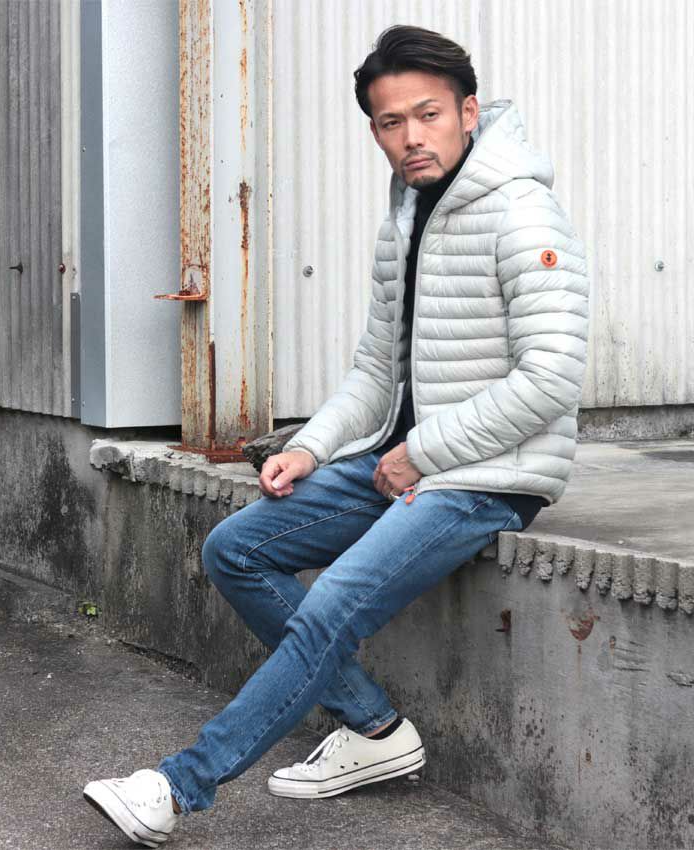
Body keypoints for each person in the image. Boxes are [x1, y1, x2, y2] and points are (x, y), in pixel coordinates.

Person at [83, 24, 589, 846]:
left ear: (468, 112)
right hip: (405, 461)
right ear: (375, 130)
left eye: (428, 114)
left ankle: (177, 787)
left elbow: (553, 377)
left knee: (334, 603)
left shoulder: (523, 213)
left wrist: (424, 454)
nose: (411, 136)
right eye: (391, 122)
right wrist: (310, 448)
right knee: (237, 548)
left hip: (490, 475)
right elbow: (374, 371)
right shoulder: (408, 216)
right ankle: (375, 729)